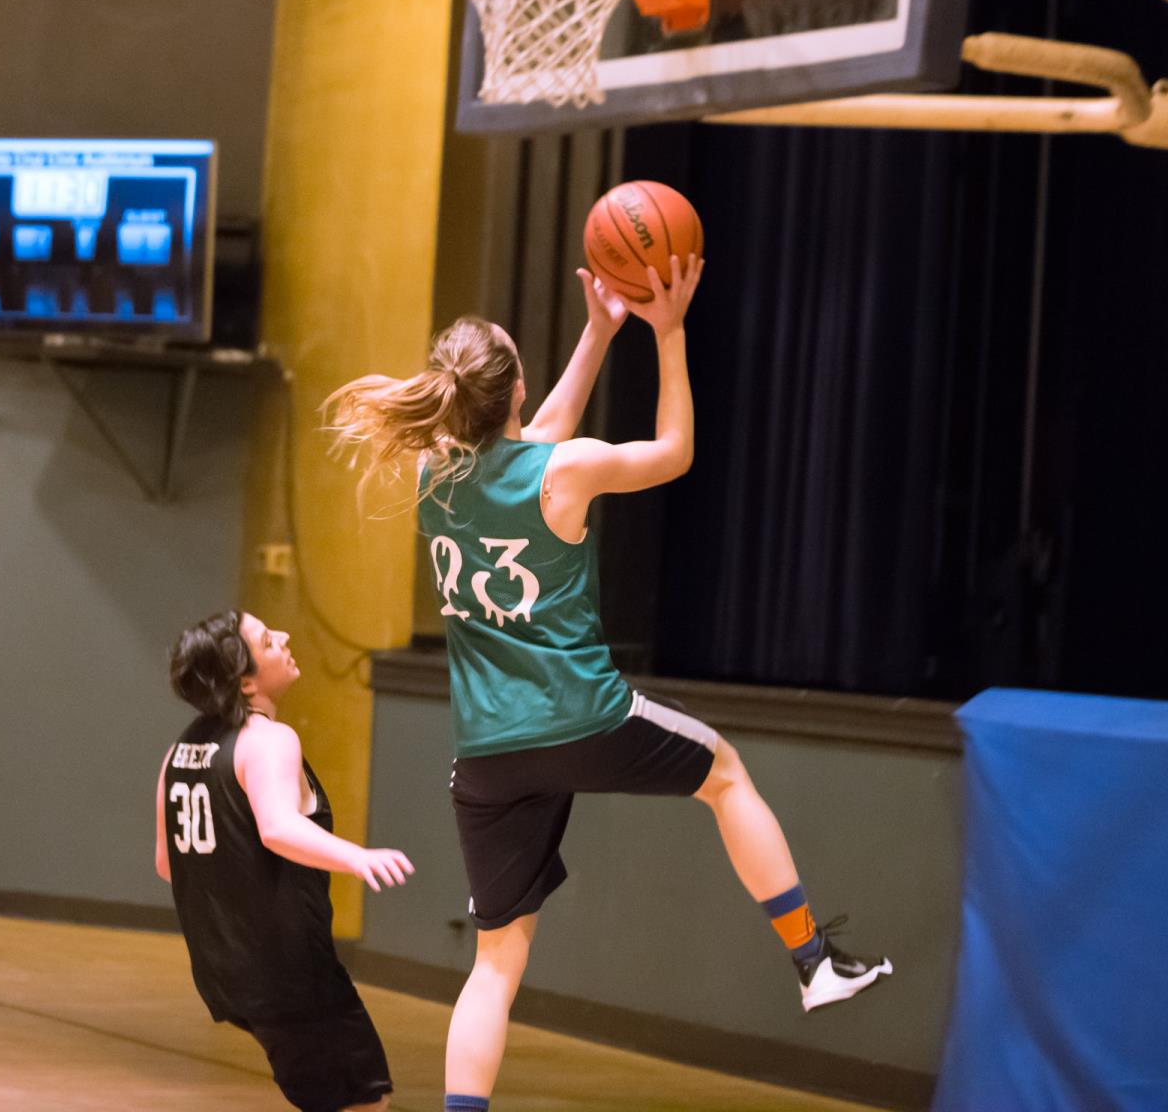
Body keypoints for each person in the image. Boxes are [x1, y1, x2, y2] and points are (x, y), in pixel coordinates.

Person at [327, 257, 892, 1111]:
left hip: (488, 756)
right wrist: (667, 334)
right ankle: (813, 963)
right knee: (726, 774)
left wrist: (597, 333)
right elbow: (673, 453)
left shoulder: (431, 477)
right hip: (583, 720)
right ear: (514, 391)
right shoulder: (565, 471)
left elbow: (527, 439)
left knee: (495, 964)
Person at [158, 609, 413, 1112]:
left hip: (222, 968)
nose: (285, 637)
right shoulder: (269, 740)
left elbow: (169, 863)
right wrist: (356, 858)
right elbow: (277, 828)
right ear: (245, 681)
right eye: (269, 641)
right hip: (288, 971)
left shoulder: (179, 752)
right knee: (363, 1100)